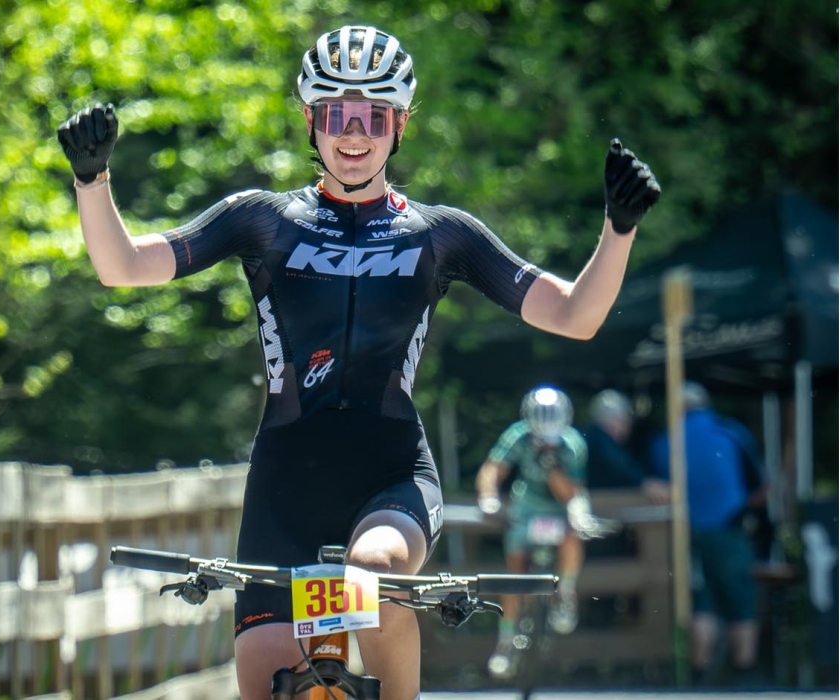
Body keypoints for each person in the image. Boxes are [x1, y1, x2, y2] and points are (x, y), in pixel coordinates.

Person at [56, 24, 661, 700]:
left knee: (366, 579)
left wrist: (618, 230)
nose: (353, 134)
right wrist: (92, 181)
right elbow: (123, 267)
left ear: (398, 125)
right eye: (337, 115)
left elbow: (575, 316)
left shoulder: (440, 234)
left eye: (373, 117)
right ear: (312, 124)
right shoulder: (262, 219)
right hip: (285, 485)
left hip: (391, 478)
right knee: (263, 668)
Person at [649, 381, 763, 684]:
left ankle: (699, 673)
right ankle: (745, 673)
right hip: (730, 529)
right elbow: (757, 487)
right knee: (740, 599)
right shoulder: (731, 432)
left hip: (687, 533)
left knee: (701, 601)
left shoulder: (665, 441)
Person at [475, 385, 589, 679]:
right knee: (514, 572)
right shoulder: (519, 435)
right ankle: (507, 639)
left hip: (559, 508)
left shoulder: (572, 444)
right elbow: (493, 468)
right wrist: (489, 497)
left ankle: (565, 593)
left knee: (574, 533)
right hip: (527, 507)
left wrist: (551, 468)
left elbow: (571, 494)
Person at [583, 389, 670, 502]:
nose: (629, 428)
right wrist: (644, 483)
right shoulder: (600, 441)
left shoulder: (595, 437)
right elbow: (618, 466)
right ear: (617, 421)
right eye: (626, 421)